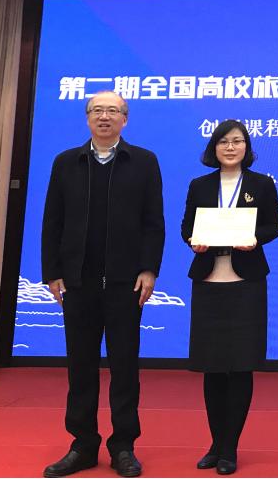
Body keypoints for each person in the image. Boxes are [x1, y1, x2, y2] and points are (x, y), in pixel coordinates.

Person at [40, 91, 165, 479]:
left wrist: (149, 269)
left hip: (126, 283)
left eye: (113, 110)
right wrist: (52, 271)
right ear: (87, 118)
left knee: (125, 367)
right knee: (80, 366)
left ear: (125, 119)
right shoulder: (66, 162)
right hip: (78, 282)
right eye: (97, 110)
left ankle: (123, 445)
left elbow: (153, 222)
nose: (104, 116)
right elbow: (52, 221)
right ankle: (82, 444)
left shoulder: (143, 161)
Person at [180, 120, 278, 475]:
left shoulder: (261, 184)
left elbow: (273, 226)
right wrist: (193, 241)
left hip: (246, 282)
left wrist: (255, 239)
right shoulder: (200, 185)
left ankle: (229, 448)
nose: (230, 147)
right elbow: (186, 227)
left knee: (239, 366)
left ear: (246, 147)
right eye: (223, 141)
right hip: (209, 280)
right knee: (213, 367)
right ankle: (215, 443)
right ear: (214, 147)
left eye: (237, 141)